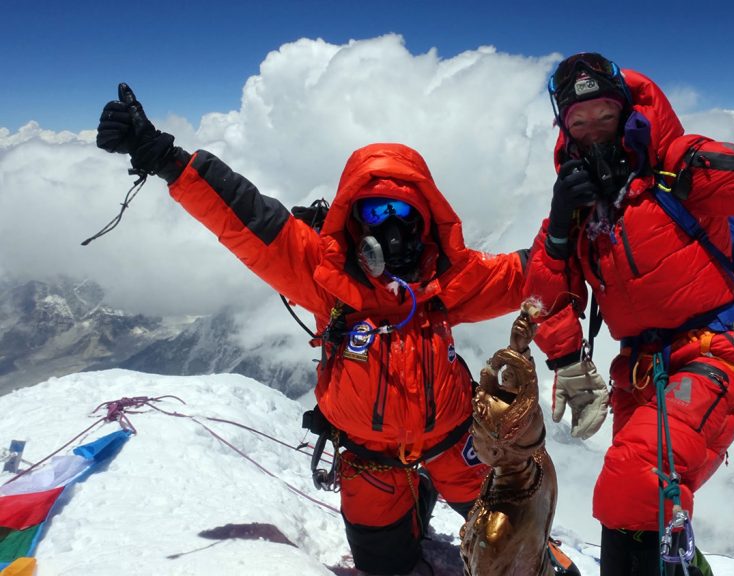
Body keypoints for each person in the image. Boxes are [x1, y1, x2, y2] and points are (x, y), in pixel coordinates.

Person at [95, 85, 531, 575]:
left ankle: (429, 488)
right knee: (385, 566)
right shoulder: (326, 276)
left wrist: (578, 238)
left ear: (425, 217)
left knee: (520, 544)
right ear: (353, 218)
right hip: (369, 460)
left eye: (402, 212)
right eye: (374, 212)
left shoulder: (447, 277)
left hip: (455, 441)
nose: (390, 228)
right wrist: (165, 157)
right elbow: (247, 217)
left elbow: (528, 274)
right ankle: (416, 496)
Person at [526, 36, 734, 574]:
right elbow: (543, 295)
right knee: (639, 502)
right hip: (639, 370)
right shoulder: (577, 205)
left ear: (626, 111)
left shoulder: (681, 165)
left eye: (604, 114)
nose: (594, 132)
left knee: (636, 480)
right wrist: (564, 352)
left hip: (717, 349)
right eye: (579, 124)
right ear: (565, 132)